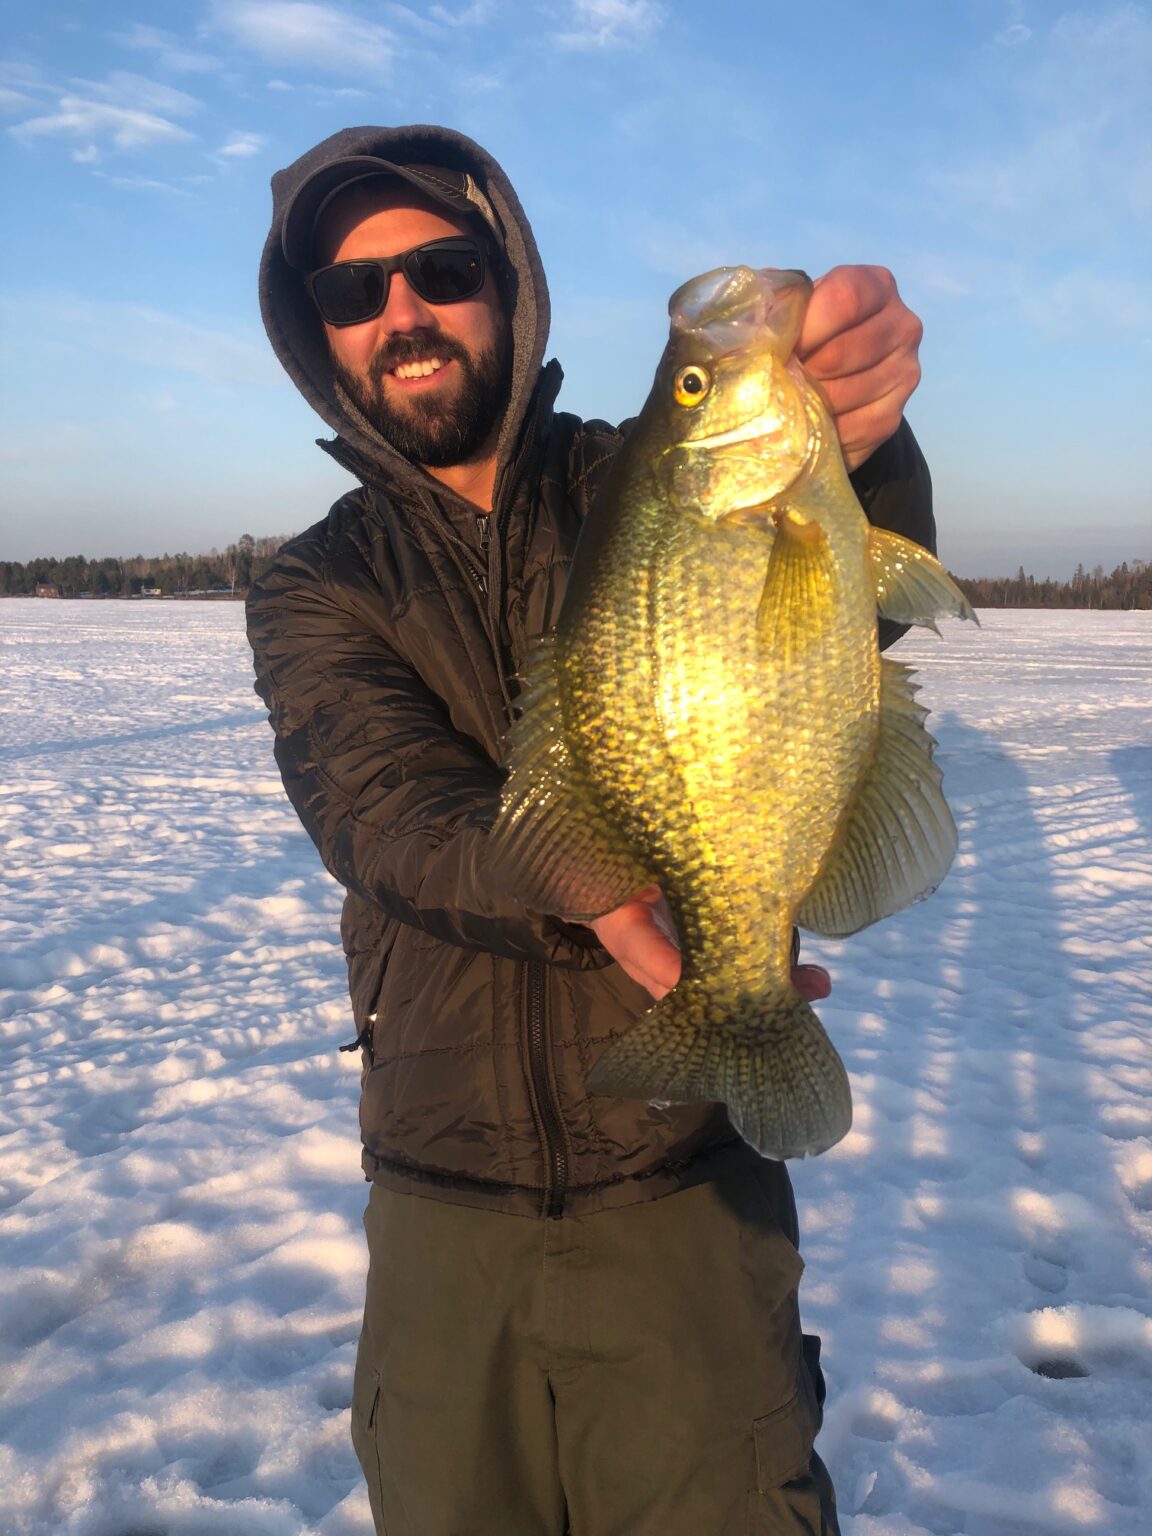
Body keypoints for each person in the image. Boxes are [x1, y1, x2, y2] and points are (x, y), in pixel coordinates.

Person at [247, 124, 934, 1536]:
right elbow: (384, 811)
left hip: (686, 1191)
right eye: (352, 290)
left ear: (510, 281)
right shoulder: (317, 580)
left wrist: (863, 443)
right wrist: (596, 888)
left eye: (439, 268)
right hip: (446, 1220)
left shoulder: (647, 472)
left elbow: (845, 599)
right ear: (318, 333)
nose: (402, 314)